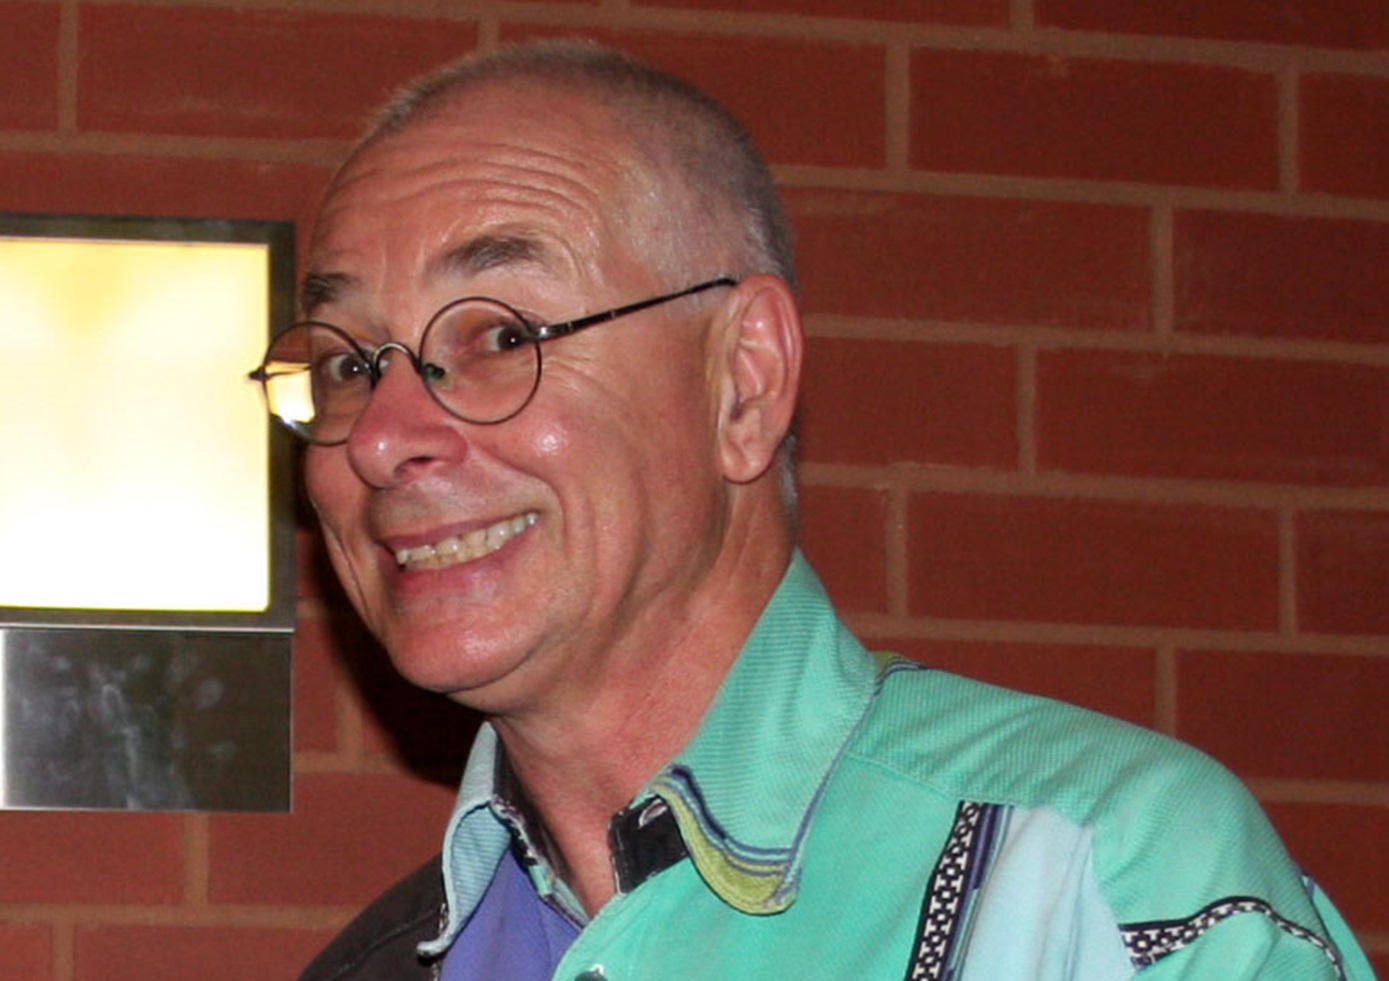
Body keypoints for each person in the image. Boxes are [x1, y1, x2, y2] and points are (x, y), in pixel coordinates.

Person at [253, 39, 1374, 980]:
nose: (388, 434)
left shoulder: (1102, 885)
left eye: (499, 337)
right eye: (350, 364)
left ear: (742, 380)